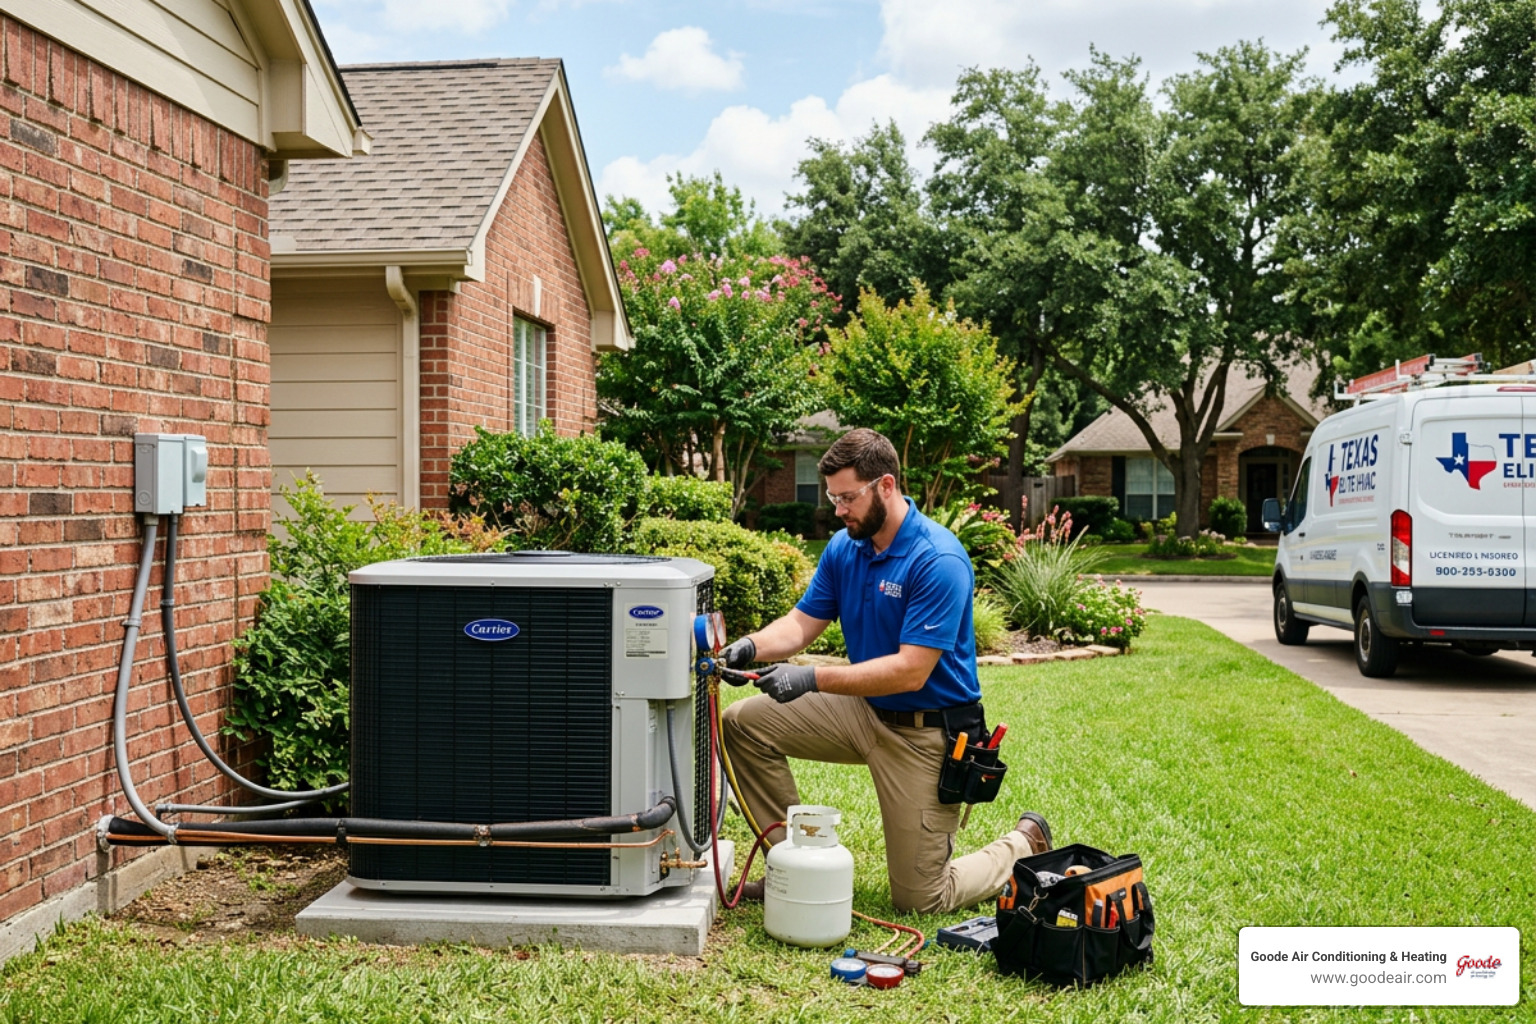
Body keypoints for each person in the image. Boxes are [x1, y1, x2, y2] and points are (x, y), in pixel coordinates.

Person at [720, 428, 1052, 914]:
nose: (838, 509)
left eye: (848, 497)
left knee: (922, 899)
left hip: (926, 733)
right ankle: (792, 869)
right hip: (863, 713)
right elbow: (801, 623)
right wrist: (748, 647)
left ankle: (1023, 845)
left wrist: (809, 677)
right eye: (833, 497)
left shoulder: (937, 558)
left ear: (887, 486)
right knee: (743, 726)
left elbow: (909, 671)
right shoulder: (844, 547)